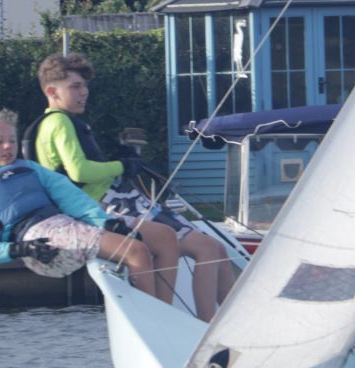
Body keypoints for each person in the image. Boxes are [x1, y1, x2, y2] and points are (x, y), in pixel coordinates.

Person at [33, 52, 235, 321]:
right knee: (207, 249)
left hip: (119, 197)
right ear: (51, 91)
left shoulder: (57, 123)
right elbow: (79, 170)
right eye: (75, 87)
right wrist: (122, 165)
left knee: (215, 249)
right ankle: (199, 326)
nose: (84, 93)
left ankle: (236, 325)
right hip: (107, 202)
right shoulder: (58, 121)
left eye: (85, 86)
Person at [0, 110, 164, 302]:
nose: (8, 146)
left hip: (65, 224)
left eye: (12, 140)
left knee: (164, 238)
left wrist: (106, 223)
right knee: (136, 251)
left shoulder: (30, 169)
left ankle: (169, 316)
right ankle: (155, 324)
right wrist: (20, 249)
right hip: (41, 247)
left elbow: (72, 198)